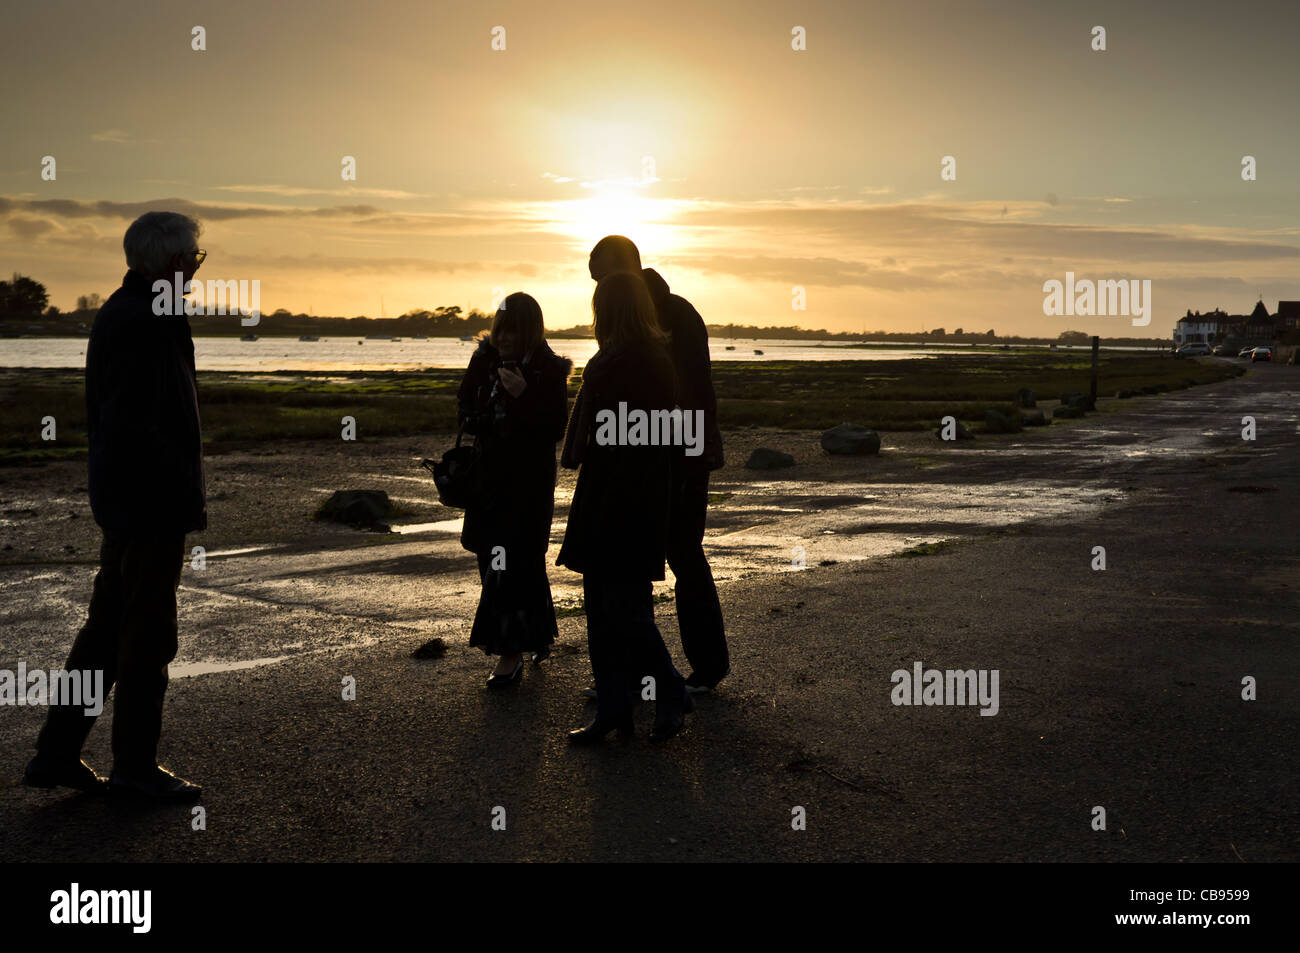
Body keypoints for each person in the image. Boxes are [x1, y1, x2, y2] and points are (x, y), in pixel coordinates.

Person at [23, 211, 207, 801]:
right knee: (147, 634)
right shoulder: (147, 318)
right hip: (148, 502)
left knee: (107, 630)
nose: (198, 270)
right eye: (195, 259)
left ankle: (56, 753)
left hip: (127, 497)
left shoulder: (131, 311)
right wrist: (171, 488)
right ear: (174, 262)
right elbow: (133, 421)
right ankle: (134, 768)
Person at [588, 236, 729, 693]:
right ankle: (642, 674)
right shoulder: (638, 314)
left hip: (678, 456)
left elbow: (691, 391)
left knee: (682, 554)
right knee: (638, 561)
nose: (601, 290)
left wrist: (691, 456)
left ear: (626, 270)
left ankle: (705, 670)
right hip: (650, 457)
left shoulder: (671, 315)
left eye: (606, 277)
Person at [557, 271, 691, 743]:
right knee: (604, 609)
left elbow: (642, 434)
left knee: (624, 611)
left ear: (609, 312)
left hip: (626, 499)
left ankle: (670, 690)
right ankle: (615, 709)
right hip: (616, 494)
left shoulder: (639, 360)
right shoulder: (631, 356)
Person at [457, 293, 571, 688]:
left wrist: (523, 397)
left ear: (530, 332)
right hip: (486, 480)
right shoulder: (482, 359)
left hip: (526, 485)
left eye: (512, 331)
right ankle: (535, 636)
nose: (504, 338)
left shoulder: (549, 370)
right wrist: (482, 404)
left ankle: (509, 654)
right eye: (500, 329)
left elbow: (555, 427)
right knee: (496, 559)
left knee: (513, 563)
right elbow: (464, 413)